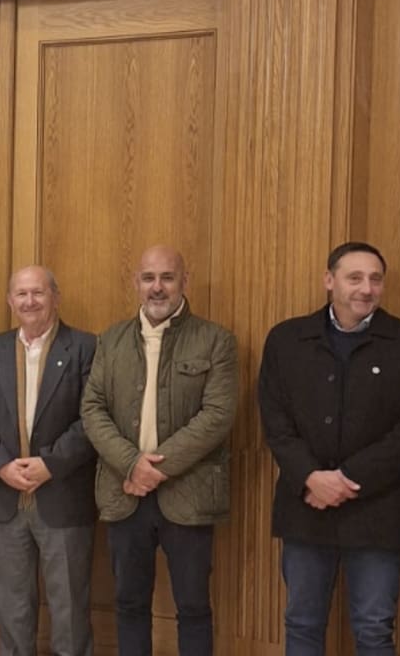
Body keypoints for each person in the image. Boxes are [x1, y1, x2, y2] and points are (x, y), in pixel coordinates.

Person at [257, 241, 400, 656]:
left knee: (374, 629)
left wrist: (346, 480)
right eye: (354, 277)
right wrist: (312, 478)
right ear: (329, 281)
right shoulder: (286, 339)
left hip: (377, 509)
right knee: (301, 623)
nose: (366, 288)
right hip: (305, 505)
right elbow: (275, 422)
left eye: (375, 279)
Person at [80, 245, 236, 656]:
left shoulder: (216, 340)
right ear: (136, 283)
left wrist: (157, 468)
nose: (157, 287)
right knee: (129, 604)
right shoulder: (111, 340)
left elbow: (217, 416)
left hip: (188, 495)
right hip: (123, 492)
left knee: (193, 607)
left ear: (185, 281)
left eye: (167, 277)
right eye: (149, 278)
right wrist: (132, 464)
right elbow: (92, 408)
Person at [0, 265, 96, 656]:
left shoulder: (86, 347)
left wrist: (50, 465)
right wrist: (3, 466)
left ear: (56, 297)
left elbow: (93, 419)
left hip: (62, 495)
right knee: (12, 605)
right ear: (10, 301)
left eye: (38, 293)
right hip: (7, 497)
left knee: (69, 607)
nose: (30, 301)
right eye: (21, 294)